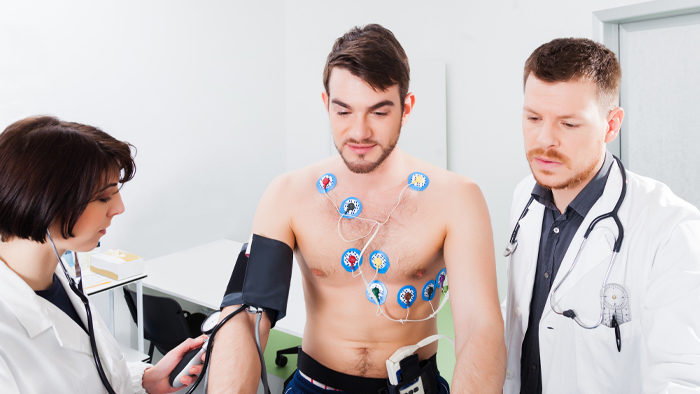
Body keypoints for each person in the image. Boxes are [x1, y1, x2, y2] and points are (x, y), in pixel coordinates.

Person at [208, 24, 505, 393]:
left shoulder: (458, 198)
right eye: (344, 111)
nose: (359, 132)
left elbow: (480, 327)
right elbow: (248, 314)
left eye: (378, 113)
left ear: (405, 108)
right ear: (326, 105)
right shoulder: (286, 195)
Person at [502, 38, 700, 393]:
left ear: (611, 125)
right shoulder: (524, 198)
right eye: (533, 118)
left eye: (569, 124)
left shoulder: (671, 230)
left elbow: (682, 377)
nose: (544, 140)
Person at [0, 116, 206, 394]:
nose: (119, 208)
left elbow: (85, 374)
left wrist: (145, 380)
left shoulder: (58, 274)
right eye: (103, 197)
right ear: (43, 202)